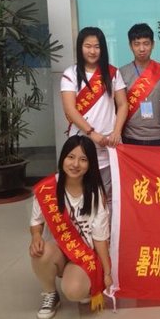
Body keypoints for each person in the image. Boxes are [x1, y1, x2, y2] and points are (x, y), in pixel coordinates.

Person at [29, 136, 112, 319]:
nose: (75, 164)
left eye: (83, 159)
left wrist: (106, 273)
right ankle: (50, 294)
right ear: (63, 158)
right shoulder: (47, 189)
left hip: (84, 254)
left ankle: (82, 281)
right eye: (71, 157)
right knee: (40, 253)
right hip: (59, 250)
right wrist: (36, 237)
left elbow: (100, 238)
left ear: (90, 164)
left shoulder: (95, 193)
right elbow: (36, 221)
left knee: (75, 291)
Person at [61, 27, 128, 197]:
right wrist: (92, 133)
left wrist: (117, 132)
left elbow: (122, 104)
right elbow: (70, 109)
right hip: (81, 141)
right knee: (81, 190)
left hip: (109, 142)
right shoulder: (70, 74)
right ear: (80, 47)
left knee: (108, 193)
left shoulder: (113, 73)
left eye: (97, 47)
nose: (92, 51)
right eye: (88, 46)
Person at [119, 23, 160, 146]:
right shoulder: (121, 73)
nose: (142, 49)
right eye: (137, 44)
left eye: (146, 43)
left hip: (159, 136)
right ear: (130, 46)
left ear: (153, 45)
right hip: (130, 136)